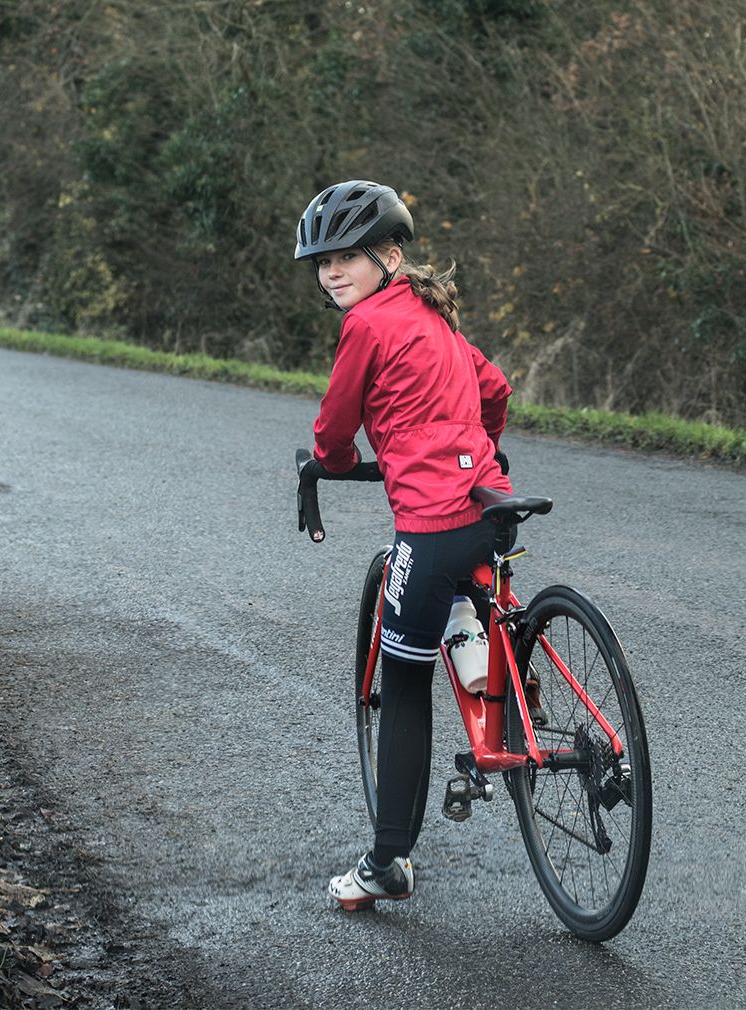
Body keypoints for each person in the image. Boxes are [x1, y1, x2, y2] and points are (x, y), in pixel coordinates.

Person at [293, 179, 513, 909]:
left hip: (432, 521)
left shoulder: (365, 326)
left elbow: (333, 429)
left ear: (390, 256)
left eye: (348, 257)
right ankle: (486, 659)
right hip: (489, 505)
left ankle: (386, 862)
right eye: (323, 262)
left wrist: (326, 462)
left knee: (404, 679)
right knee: (456, 591)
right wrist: (481, 452)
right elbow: (497, 388)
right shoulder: (433, 315)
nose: (332, 273)